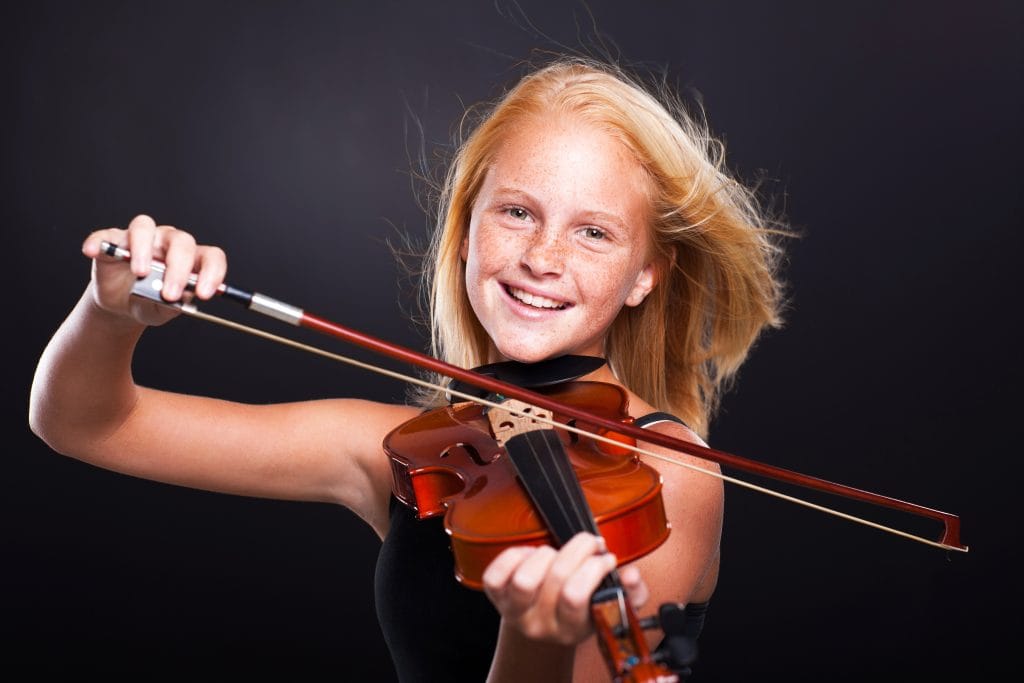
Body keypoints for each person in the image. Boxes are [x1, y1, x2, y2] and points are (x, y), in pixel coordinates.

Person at [29, 55, 786, 682]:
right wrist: (111, 313)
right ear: (464, 231)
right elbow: (86, 423)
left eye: (593, 231)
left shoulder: (669, 475)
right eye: (517, 212)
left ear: (646, 273)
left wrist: (535, 638)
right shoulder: (417, 454)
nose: (542, 258)